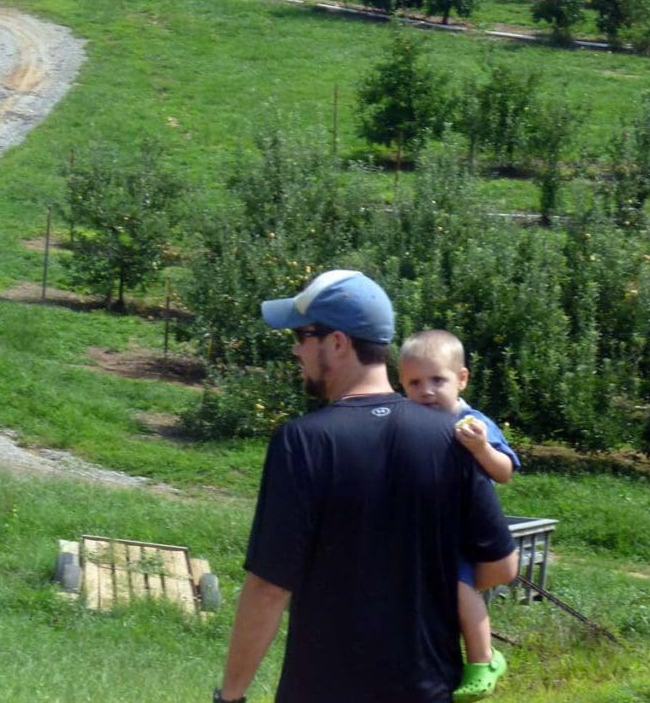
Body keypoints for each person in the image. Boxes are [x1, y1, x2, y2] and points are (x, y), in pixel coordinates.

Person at [216, 270, 518, 703]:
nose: (296, 349)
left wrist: (230, 696)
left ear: (337, 343)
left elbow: (269, 588)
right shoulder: (452, 437)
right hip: (427, 689)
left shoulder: (304, 441)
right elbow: (502, 567)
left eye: (303, 336)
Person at [399, 330, 522, 701]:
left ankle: (485, 659)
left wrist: (482, 448)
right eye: (414, 383)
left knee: (456, 586)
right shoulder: (409, 424)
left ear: (462, 379)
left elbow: (505, 471)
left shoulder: (472, 423)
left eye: (438, 379)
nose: (427, 391)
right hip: (430, 529)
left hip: (468, 531)